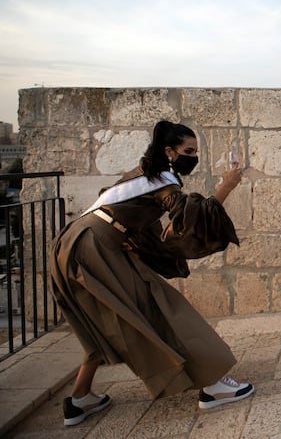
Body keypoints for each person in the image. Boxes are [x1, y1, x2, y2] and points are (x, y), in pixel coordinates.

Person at [49, 120, 254, 426]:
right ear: (169, 151)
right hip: (96, 247)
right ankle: (213, 385)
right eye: (188, 151)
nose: (192, 156)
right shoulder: (164, 182)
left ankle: (80, 399)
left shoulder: (144, 172)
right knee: (159, 306)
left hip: (72, 244)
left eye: (196, 151)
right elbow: (191, 221)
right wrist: (228, 184)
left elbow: (118, 207)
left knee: (100, 320)